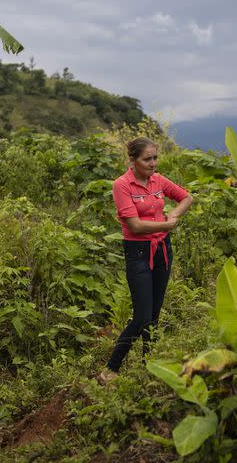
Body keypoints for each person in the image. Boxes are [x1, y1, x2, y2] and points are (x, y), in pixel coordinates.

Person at [99, 137, 193, 383]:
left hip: (163, 249)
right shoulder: (122, 185)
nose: (153, 163)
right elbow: (136, 225)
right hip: (138, 253)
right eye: (147, 159)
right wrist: (166, 224)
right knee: (141, 316)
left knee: (153, 315)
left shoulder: (158, 180)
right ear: (132, 160)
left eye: (155, 157)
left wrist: (173, 214)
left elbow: (186, 197)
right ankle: (111, 369)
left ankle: (149, 367)